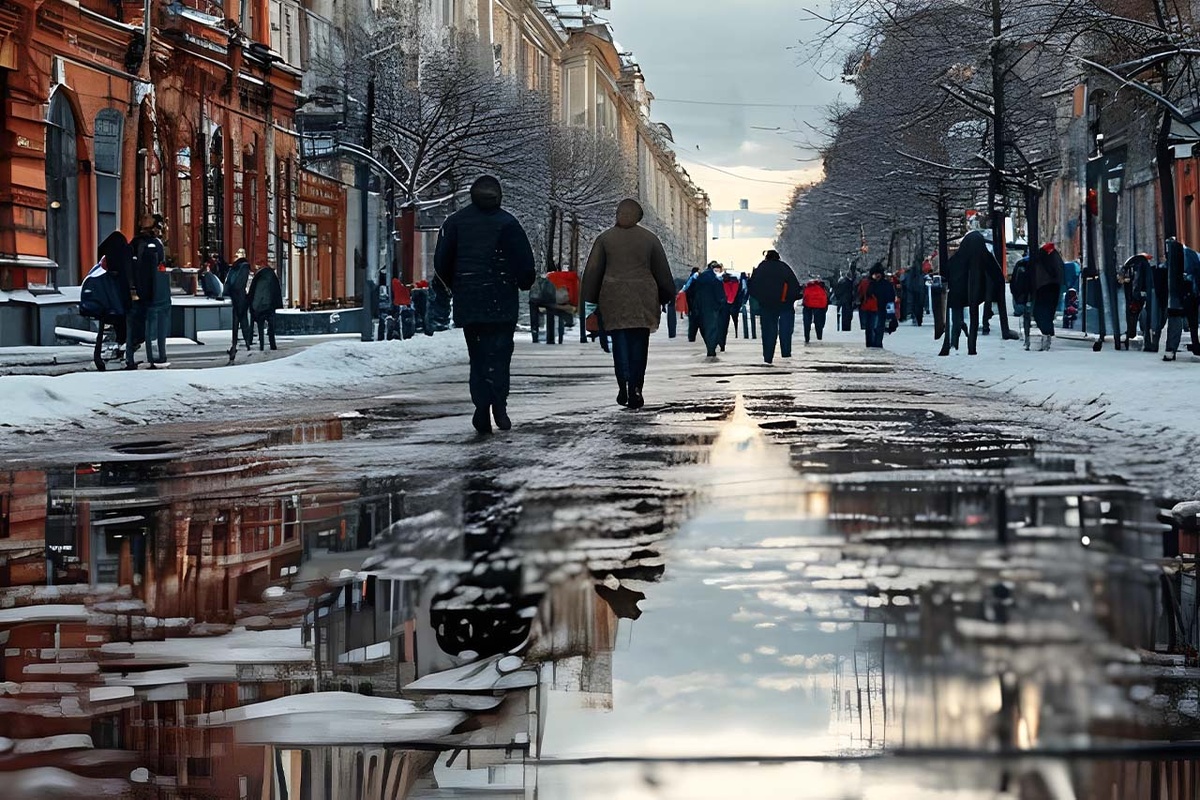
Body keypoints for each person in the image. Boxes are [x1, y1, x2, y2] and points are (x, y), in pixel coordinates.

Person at [434, 175, 536, 433]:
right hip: (501, 302)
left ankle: (481, 406)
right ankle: (499, 407)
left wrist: (456, 285)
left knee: (477, 357)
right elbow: (524, 263)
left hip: (470, 302)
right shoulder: (508, 224)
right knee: (500, 356)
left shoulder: (455, 223)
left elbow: (441, 262)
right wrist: (523, 281)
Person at [582, 198, 675, 409]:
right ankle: (636, 388)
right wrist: (665, 296)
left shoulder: (604, 239)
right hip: (643, 299)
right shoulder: (650, 239)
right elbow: (662, 272)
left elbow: (593, 272)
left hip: (613, 298)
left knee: (620, 344)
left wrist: (590, 302)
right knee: (639, 345)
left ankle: (623, 385)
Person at [86, 232, 134, 370]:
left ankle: (101, 355)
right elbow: (128, 274)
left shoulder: (104, 263)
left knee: (104, 327)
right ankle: (122, 350)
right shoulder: (126, 253)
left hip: (105, 301)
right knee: (123, 324)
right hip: (121, 297)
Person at [747, 251, 802, 364]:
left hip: (767, 305)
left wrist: (761, 299)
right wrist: (791, 298)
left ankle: (768, 356)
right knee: (785, 329)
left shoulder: (761, 268)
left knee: (768, 331)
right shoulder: (784, 268)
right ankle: (786, 352)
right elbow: (794, 286)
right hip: (784, 304)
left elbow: (752, 286)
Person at [132, 215, 171, 368]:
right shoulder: (155, 245)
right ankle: (158, 357)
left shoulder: (136, 244)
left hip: (144, 292)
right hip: (156, 293)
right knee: (157, 327)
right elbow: (160, 267)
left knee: (147, 327)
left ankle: (151, 356)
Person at [1030, 242, 1065, 351]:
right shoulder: (1055, 258)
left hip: (1043, 288)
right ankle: (1047, 335)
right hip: (1054, 287)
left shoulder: (1041, 258)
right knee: (1048, 313)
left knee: (1040, 312)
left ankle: (1046, 335)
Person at [690, 261, 727, 361]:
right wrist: (721, 303)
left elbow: (693, 291)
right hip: (712, 307)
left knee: (704, 328)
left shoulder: (701, 277)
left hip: (701, 306)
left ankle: (709, 347)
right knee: (712, 328)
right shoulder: (715, 279)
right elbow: (720, 294)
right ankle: (711, 349)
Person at [224, 249, 252, 363]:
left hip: (234, 296)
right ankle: (247, 344)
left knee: (235, 322)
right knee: (243, 319)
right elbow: (241, 284)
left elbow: (229, 282)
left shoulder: (234, 267)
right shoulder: (245, 267)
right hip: (240, 296)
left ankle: (234, 345)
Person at [249, 262, 284, 351]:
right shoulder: (272, 277)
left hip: (259, 307)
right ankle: (272, 344)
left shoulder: (258, 278)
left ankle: (261, 345)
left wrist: (252, 307)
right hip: (270, 307)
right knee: (271, 327)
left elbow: (252, 293)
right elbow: (277, 292)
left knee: (259, 326)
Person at [863, 262, 896, 348]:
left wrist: (891, 314)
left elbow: (890, 299)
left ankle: (875, 344)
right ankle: (874, 344)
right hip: (873, 309)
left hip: (879, 309)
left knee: (876, 328)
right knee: (874, 328)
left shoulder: (871, 284)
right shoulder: (872, 284)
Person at [801, 276, 830, 344]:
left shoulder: (807, 287)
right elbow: (826, 298)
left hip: (808, 305)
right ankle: (819, 336)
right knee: (819, 322)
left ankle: (807, 337)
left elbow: (803, 296)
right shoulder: (822, 287)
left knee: (807, 321)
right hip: (820, 306)